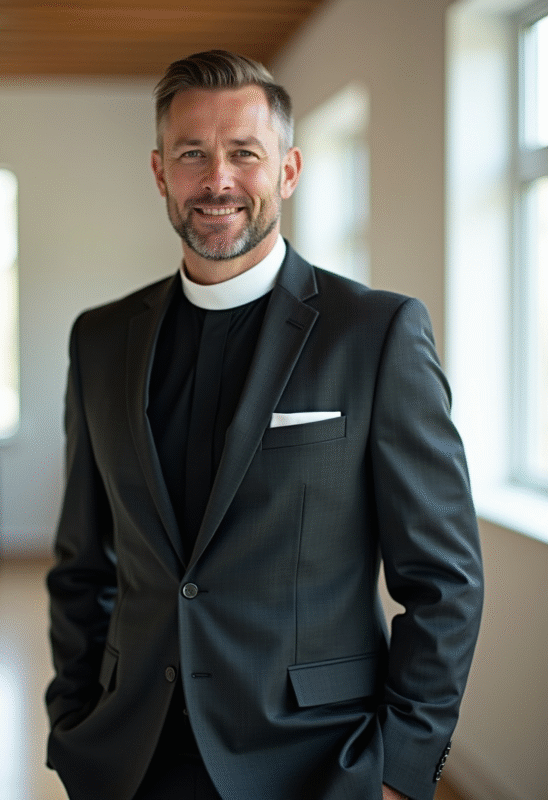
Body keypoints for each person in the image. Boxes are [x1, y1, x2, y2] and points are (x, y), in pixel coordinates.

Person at [45, 50, 483, 800]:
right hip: (131, 759)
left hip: (316, 760)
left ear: (287, 170)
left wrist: (403, 771)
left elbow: (443, 582)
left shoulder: (376, 334)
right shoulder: (100, 339)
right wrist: (73, 721)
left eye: (244, 153)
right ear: (160, 173)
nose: (217, 180)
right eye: (193, 154)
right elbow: (84, 565)